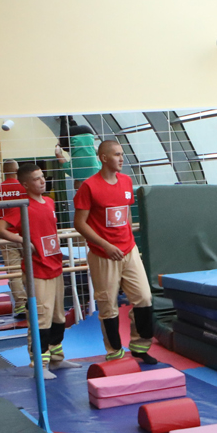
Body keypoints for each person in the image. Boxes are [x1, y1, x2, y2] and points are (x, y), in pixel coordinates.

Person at [73, 140, 156, 365]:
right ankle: (115, 352)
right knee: (108, 305)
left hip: (129, 250)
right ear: (103, 158)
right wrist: (106, 245)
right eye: (117, 154)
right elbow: (79, 223)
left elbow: (126, 211)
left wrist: (127, 238)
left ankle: (140, 346)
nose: (121, 158)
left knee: (144, 298)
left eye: (122, 154)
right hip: (103, 255)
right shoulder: (89, 187)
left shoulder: (127, 181)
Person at [0, 164, 71, 377]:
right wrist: (23, 239)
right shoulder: (22, 206)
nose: (42, 181)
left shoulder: (49, 202)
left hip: (55, 266)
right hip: (37, 270)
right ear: (26, 184)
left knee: (58, 316)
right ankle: (39, 363)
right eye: (36, 179)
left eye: (42, 176)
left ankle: (56, 358)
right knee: (41, 317)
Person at [0, 160, 29, 319]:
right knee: (32, 268)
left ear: (3, 171)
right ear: (17, 170)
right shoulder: (25, 186)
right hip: (25, 233)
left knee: (14, 272)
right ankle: (34, 302)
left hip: (6, 235)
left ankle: (20, 305)